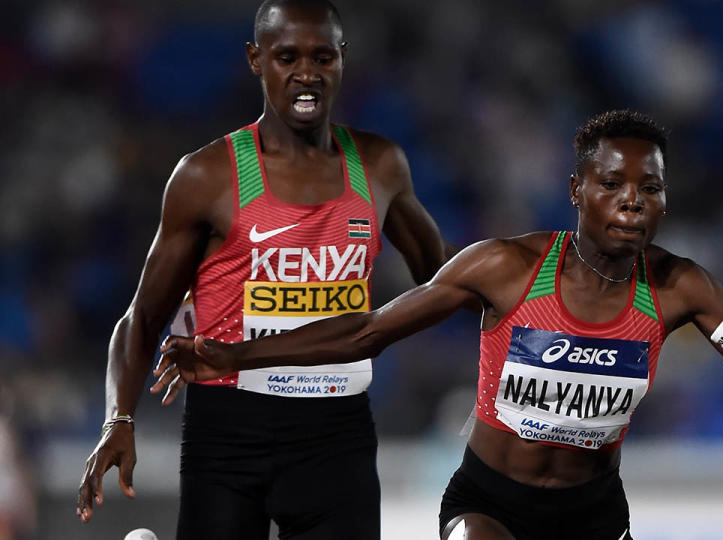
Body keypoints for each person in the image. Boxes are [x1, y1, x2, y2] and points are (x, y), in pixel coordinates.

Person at [154, 109, 723, 540]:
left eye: (652, 188)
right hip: (491, 505)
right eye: (613, 183)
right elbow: (365, 331)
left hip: (593, 515)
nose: (634, 200)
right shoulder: (506, 268)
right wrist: (237, 357)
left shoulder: (682, 287)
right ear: (578, 190)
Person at [76, 1, 458, 538]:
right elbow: (140, 319)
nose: (307, 73)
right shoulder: (208, 176)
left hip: (337, 431)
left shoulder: (378, 165)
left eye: (323, 57)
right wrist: (119, 418)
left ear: (342, 59)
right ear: (256, 60)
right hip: (230, 431)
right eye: (286, 57)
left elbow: (445, 280)